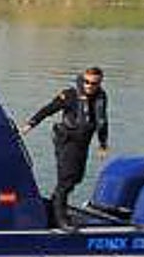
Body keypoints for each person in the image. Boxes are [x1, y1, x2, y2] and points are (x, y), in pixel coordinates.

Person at [19, 67, 109, 229]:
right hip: (67, 141)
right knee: (66, 179)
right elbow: (48, 109)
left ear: (100, 83)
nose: (89, 86)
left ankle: (53, 208)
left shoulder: (100, 98)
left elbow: (102, 122)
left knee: (76, 178)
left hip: (83, 143)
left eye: (94, 83)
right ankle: (60, 219)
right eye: (87, 82)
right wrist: (30, 124)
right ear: (82, 80)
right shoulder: (70, 95)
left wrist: (102, 143)